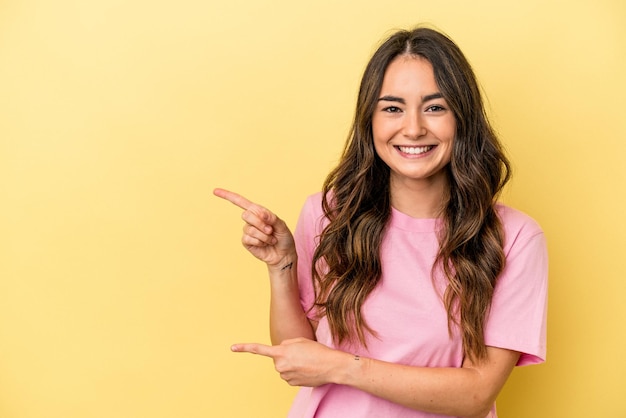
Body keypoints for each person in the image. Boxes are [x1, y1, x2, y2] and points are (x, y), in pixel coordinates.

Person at [214, 26, 548, 418]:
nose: (413, 128)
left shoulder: (514, 238)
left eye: (435, 107)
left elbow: (476, 395)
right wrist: (281, 267)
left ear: (463, 119)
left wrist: (342, 366)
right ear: (369, 121)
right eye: (392, 108)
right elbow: (298, 360)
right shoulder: (329, 215)